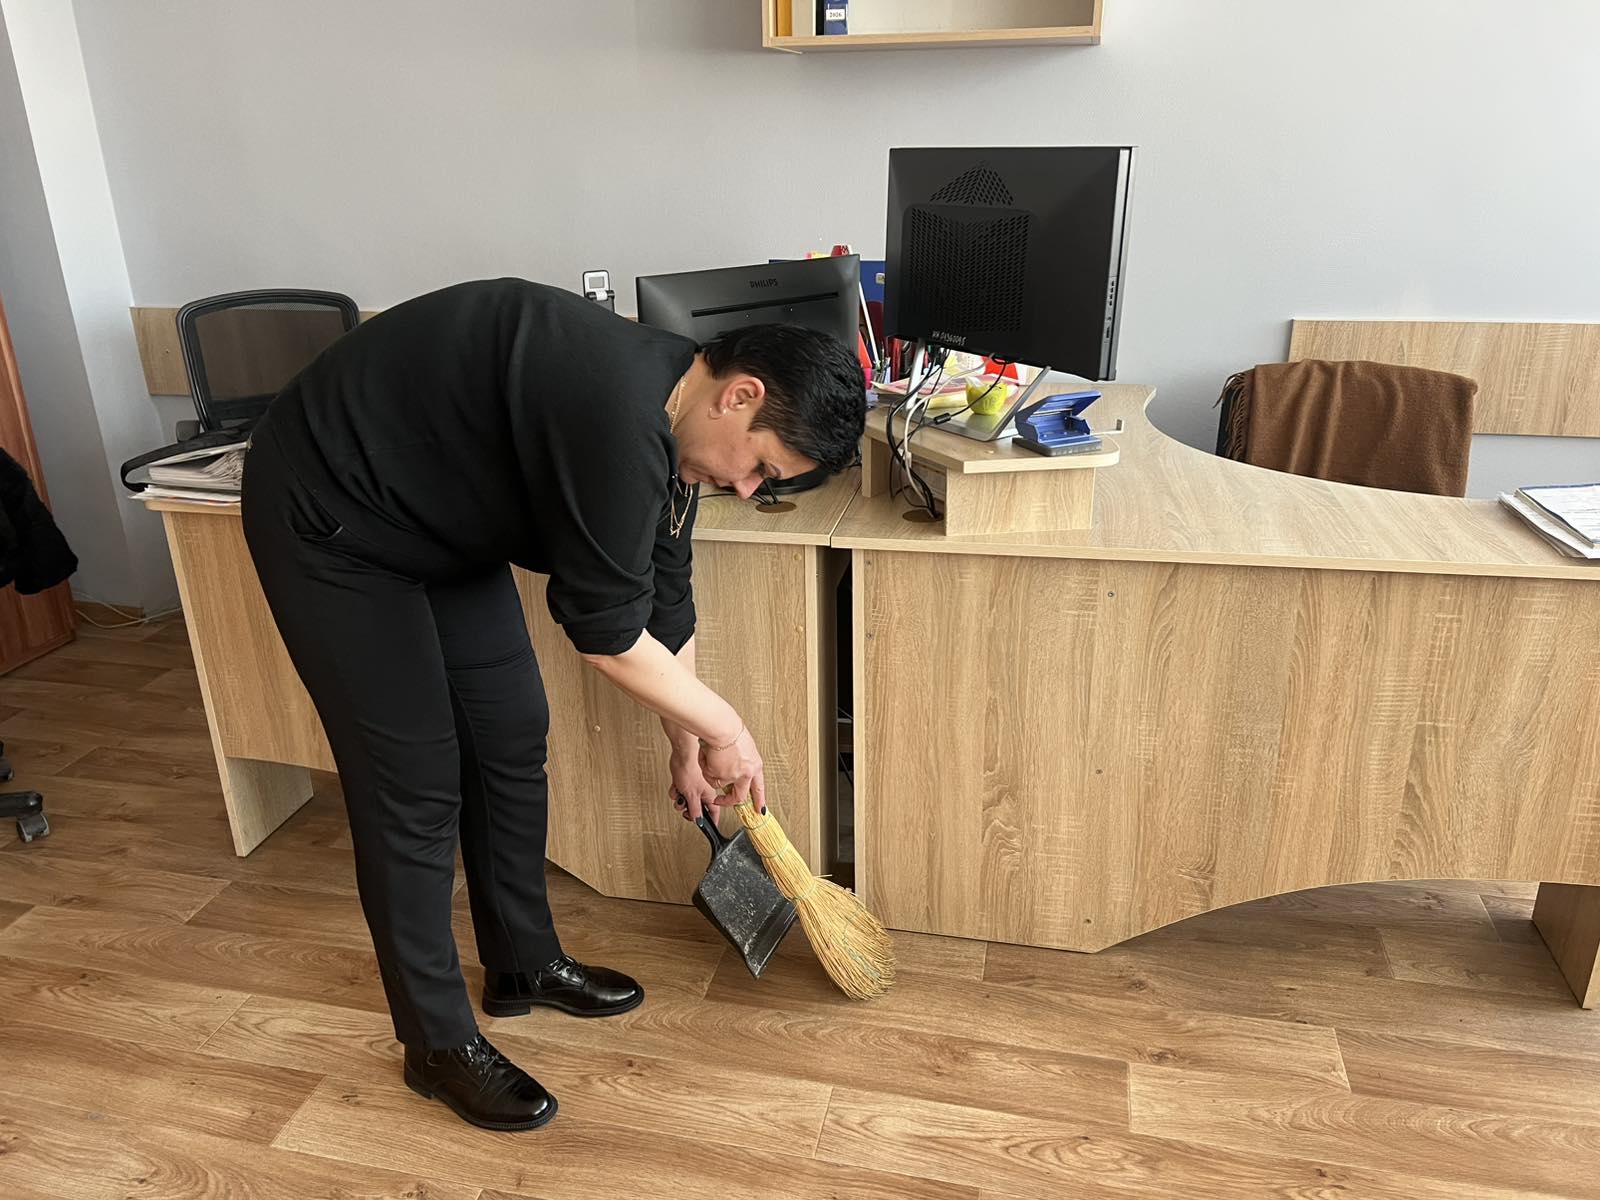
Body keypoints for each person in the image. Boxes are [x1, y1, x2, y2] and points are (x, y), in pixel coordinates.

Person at [240, 277, 865, 1132]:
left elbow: (662, 606)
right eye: (761, 466)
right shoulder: (615, 411)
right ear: (740, 395)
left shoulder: (672, 423)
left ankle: (522, 963)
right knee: (413, 784)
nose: (751, 490)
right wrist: (727, 729)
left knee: (509, 735)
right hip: (330, 515)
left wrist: (685, 744)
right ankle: (435, 1043)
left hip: (436, 518)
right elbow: (604, 634)